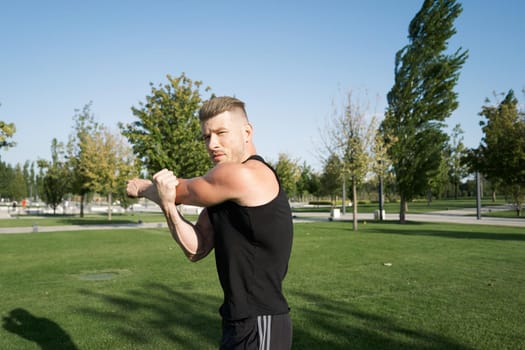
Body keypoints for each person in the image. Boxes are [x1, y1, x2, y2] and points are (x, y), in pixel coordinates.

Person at [127, 96, 294, 349]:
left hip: (262, 320)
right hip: (236, 319)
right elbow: (196, 248)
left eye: (221, 133)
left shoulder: (243, 174)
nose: (212, 144)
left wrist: (142, 187)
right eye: (206, 136)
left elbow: (181, 190)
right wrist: (168, 206)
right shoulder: (225, 193)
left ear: (246, 132)